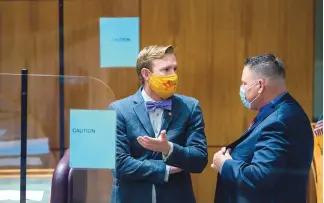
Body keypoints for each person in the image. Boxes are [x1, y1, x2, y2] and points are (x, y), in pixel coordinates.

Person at [109, 45, 208, 203]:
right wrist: (165, 169)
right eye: (166, 69)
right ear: (146, 74)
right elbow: (119, 165)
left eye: (175, 69)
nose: (173, 75)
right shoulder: (119, 110)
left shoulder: (189, 107)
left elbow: (199, 160)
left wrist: (169, 149)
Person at [212, 53, 314, 203]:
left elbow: (260, 177)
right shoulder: (278, 112)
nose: (241, 88)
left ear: (260, 85)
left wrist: (226, 164)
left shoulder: (280, 121)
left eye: (244, 83)